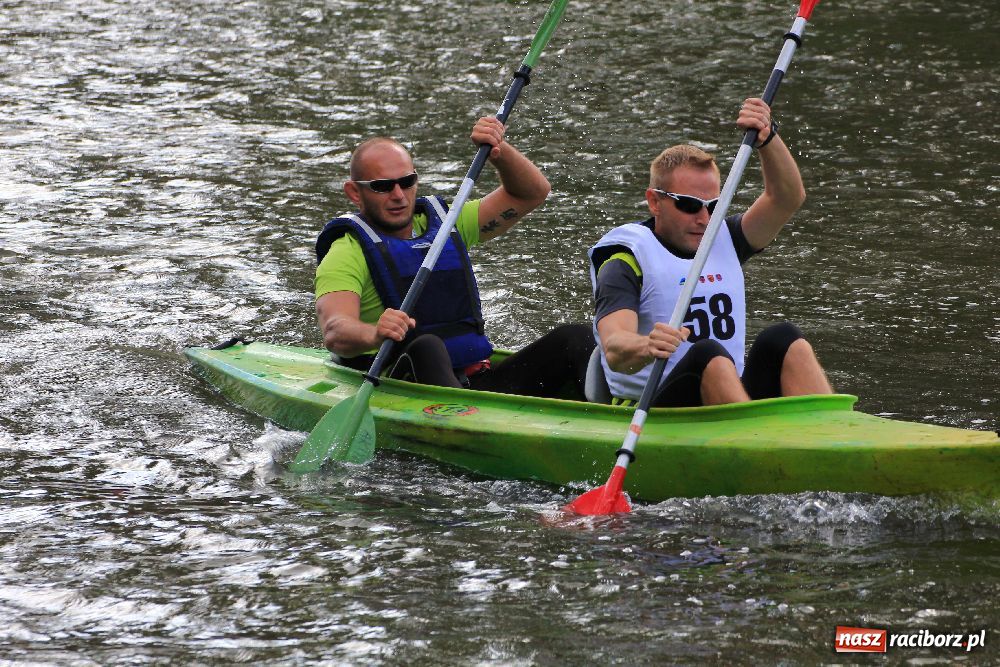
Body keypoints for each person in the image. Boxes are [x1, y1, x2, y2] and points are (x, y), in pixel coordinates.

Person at [314, 117, 595, 398]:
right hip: (398, 387)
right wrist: (374, 333)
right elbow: (335, 330)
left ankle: (607, 415)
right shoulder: (346, 251)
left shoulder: (448, 225)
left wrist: (499, 151)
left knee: (575, 338)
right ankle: (460, 424)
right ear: (354, 192)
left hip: (475, 381)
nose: (398, 195)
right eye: (382, 186)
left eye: (407, 182)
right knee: (427, 346)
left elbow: (532, 193)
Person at [589, 98, 833, 407]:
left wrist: (767, 139)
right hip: (656, 405)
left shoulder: (725, 237)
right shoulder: (625, 260)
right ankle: (751, 441)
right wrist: (646, 344)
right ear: (654, 201)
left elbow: (787, 198)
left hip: (724, 393)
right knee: (708, 352)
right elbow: (614, 347)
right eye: (689, 205)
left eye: (713, 207)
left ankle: (836, 431)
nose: (703, 218)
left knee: (785, 339)